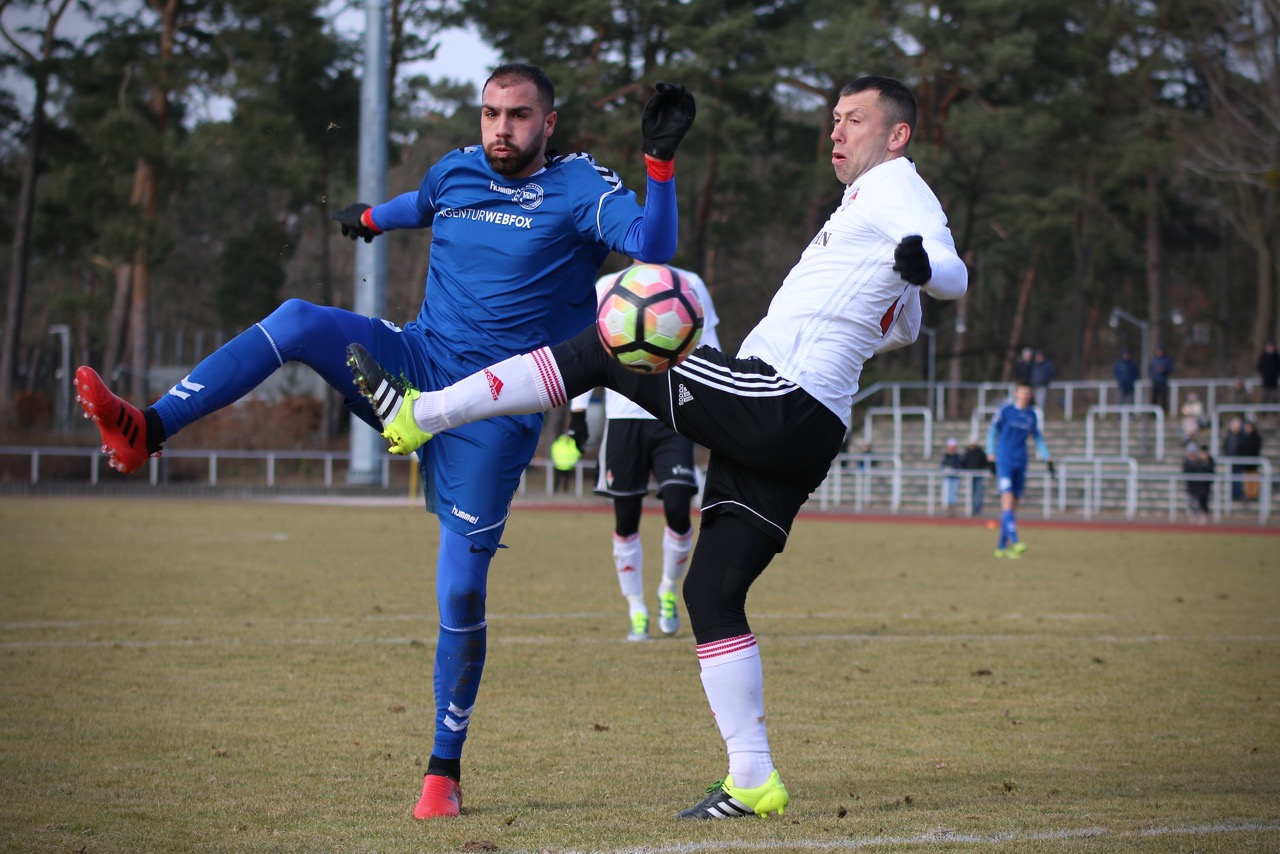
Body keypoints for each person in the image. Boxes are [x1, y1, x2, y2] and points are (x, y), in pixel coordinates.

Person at [72, 64, 696, 820]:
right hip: (414, 365)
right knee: (300, 318)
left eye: (520, 116)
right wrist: (369, 219)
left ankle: (443, 771)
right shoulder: (457, 171)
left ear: (548, 124)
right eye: (492, 113)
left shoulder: (579, 188)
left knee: (461, 590)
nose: (502, 128)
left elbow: (652, 249)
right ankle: (147, 429)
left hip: (495, 413)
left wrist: (658, 166)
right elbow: (420, 204)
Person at [345, 75, 967, 819]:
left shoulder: (899, 187)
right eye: (833, 118)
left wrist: (927, 268)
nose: (836, 132)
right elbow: (902, 322)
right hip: (803, 428)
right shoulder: (862, 205)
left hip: (781, 398)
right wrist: (902, 292)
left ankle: (423, 414)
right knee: (710, 593)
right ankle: (753, 780)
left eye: (855, 120)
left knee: (611, 345)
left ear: (896, 135)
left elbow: (949, 271)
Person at [569, 263, 721, 642]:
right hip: (622, 418)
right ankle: (636, 609)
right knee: (626, 517)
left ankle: (668, 589)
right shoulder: (606, 285)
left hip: (672, 414)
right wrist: (577, 412)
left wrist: (716, 402)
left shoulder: (690, 282)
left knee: (678, 504)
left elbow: (710, 345)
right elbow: (588, 351)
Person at [985, 381, 1050, 558]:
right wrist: (990, 454)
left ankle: (1000, 547)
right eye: (1022, 392)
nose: (1025, 396)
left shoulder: (1031, 415)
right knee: (1007, 500)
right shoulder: (1006, 411)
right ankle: (1015, 541)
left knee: (1012, 507)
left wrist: (1046, 457)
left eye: (1028, 393)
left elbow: (1037, 438)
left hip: (1021, 462)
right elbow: (992, 432)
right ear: (1016, 394)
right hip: (1004, 460)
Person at [1182, 443, 1214, 525]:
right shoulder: (1194, 462)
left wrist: (1205, 461)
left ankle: (1204, 516)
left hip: (1204, 486)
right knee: (1192, 502)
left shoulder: (1209, 461)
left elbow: (1211, 471)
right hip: (1194, 486)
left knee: (1203, 502)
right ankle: (1194, 516)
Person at [1221, 416, 1246, 501]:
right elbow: (1225, 447)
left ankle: (1237, 494)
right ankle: (1229, 495)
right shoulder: (1228, 436)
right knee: (1229, 479)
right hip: (1229, 461)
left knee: (1237, 478)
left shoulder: (1242, 437)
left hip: (1238, 461)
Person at [962, 438, 988, 515]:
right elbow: (964, 463)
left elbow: (984, 462)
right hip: (970, 476)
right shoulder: (967, 453)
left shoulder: (980, 453)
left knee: (978, 492)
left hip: (978, 475)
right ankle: (971, 507)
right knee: (971, 492)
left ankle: (977, 508)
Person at [1239, 419, 1263, 500]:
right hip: (1245, 463)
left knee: (1254, 479)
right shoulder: (1243, 437)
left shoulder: (1256, 437)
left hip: (1253, 463)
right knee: (1247, 480)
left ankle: (1254, 495)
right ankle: (1248, 495)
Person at [940, 437, 963, 515]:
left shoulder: (957, 457)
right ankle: (948, 508)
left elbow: (959, 466)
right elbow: (942, 465)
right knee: (947, 494)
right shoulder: (946, 456)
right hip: (947, 477)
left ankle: (953, 508)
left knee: (954, 493)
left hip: (955, 477)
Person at [1148, 345, 1174, 412]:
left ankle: (1164, 412)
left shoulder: (1166, 360)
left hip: (1163, 382)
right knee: (1154, 398)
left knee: (1163, 398)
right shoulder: (1154, 360)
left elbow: (1170, 369)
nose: (1159, 353)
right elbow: (1150, 370)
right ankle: (1153, 413)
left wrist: (1164, 370)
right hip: (1155, 382)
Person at [1259, 340, 1280, 405]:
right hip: (1266, 380)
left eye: (1271, 347)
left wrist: (1276, 374)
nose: (1270, 348)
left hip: (1274, 380)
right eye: (1269, 346)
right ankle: (1263, 413)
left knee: (1275, 397)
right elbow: (1259, 366)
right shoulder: (1263, 356)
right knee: (1264, 397)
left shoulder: (1276, 356)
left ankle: (1275, 413)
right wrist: (1264, 374)